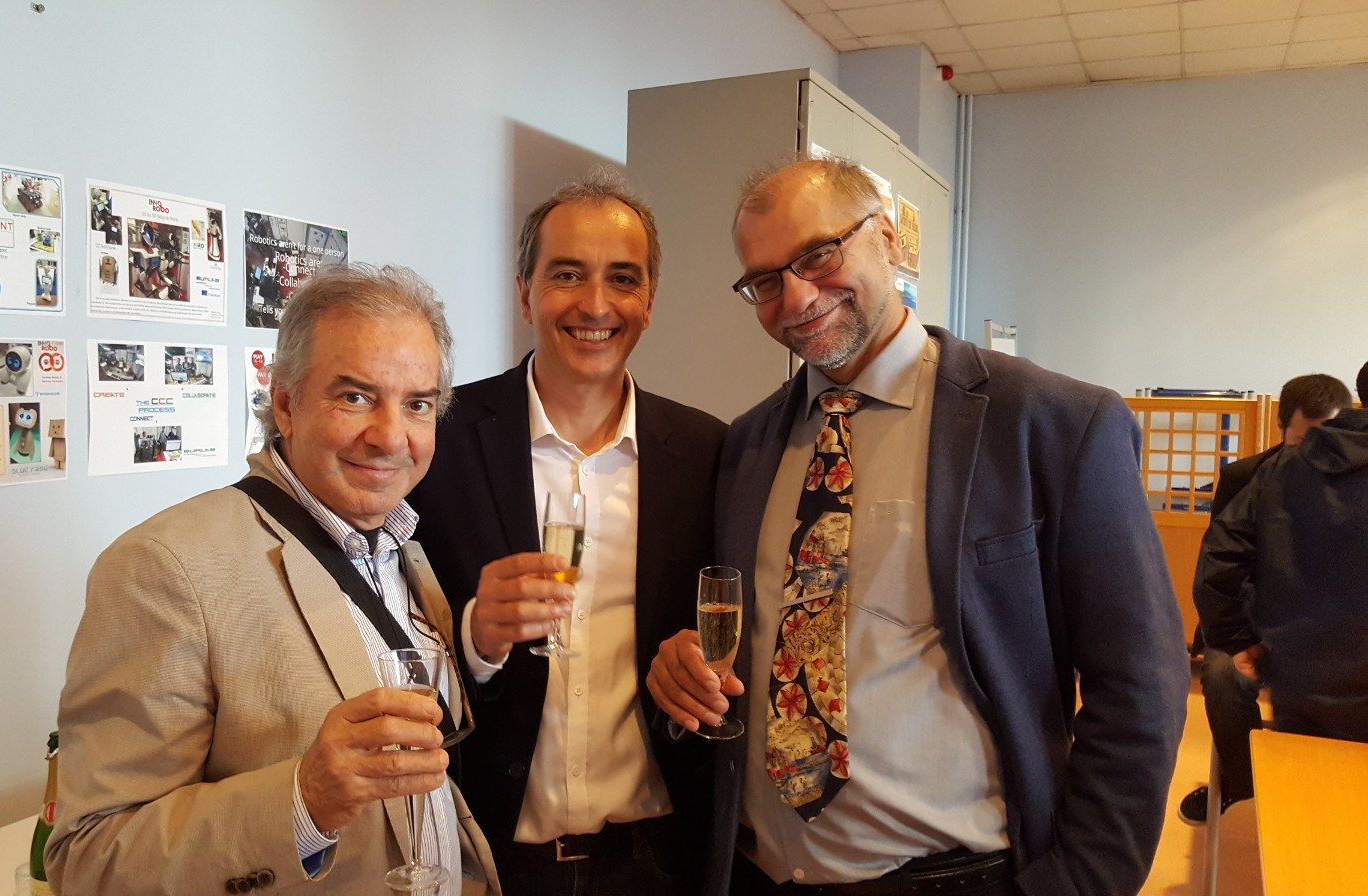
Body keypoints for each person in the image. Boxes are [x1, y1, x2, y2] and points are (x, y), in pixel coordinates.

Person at [647, 156, 1187, 896]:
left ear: (888, 237)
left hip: (958, 877)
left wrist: (1080, 881)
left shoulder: (1052, 425)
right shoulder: (747, 445)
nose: (796, 296)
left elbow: (1140, 686)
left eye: (819, 254)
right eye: (765, 282)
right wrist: (682, 669)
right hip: (755, 871)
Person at [46, 264, 500, 896]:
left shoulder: (402, 546)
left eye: (417, 404)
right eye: (355, 397)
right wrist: (304, 800)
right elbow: (88, 858)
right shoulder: (163, 566)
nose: (390, 436)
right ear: (286, 404)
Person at [407, 171, 726, 895]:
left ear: (650, 301)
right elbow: (377, 629)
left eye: (623, 279)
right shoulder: (440, 441)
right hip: (491, 857)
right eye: (567, 275)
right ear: (525, 294)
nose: (596, 304)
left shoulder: (707, 452)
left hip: (658, 860)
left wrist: (701, 671)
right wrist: (474, 641)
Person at [1178, 373, 1353, 824]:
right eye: (1305, 440)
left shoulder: (1355, 482)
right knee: (1223, 676)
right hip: (1252, 618)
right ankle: (1245, 784)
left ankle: (1326, 794)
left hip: (1325, 628)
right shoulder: (1248, 476)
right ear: (1281, 426)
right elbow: (1221, 565)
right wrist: (1240, 636)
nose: (1318, 455)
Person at [1195, 397, 1368, 746]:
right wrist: (1239, 638)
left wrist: (1238, 638)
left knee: (1305, 764)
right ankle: (1246, 776)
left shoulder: (1281, 468)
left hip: (1296, 667)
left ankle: (1255, 780)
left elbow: (1220, 558)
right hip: (1294, 649)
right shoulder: (1260, 470)